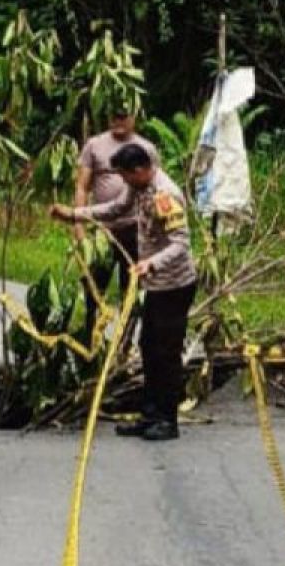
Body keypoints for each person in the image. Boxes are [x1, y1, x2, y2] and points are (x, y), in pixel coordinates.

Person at [50, 142, 197, 442]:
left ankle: (167, 420)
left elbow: (181, 244)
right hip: (155, 285)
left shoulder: (164, 195)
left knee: (166, 352)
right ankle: (150, 414)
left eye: (126, 176)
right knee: (148, 347)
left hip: (174, 285)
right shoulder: (138, 187)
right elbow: (116, 208)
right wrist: (75, 214)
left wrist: (150, 264)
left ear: (141, 170)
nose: (124, 183)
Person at [74, 107, 161, 337]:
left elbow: (156, 189)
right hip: (102, 231)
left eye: (123, 116)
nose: (118, 120)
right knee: (93, 288)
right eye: (114, 115)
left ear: (134, 117)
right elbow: (82, 186)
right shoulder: (94, 145)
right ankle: (91, 340)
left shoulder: (147, 149)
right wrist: (79, 226)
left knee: (131, 290)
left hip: (135, 230)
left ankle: (123, 345)